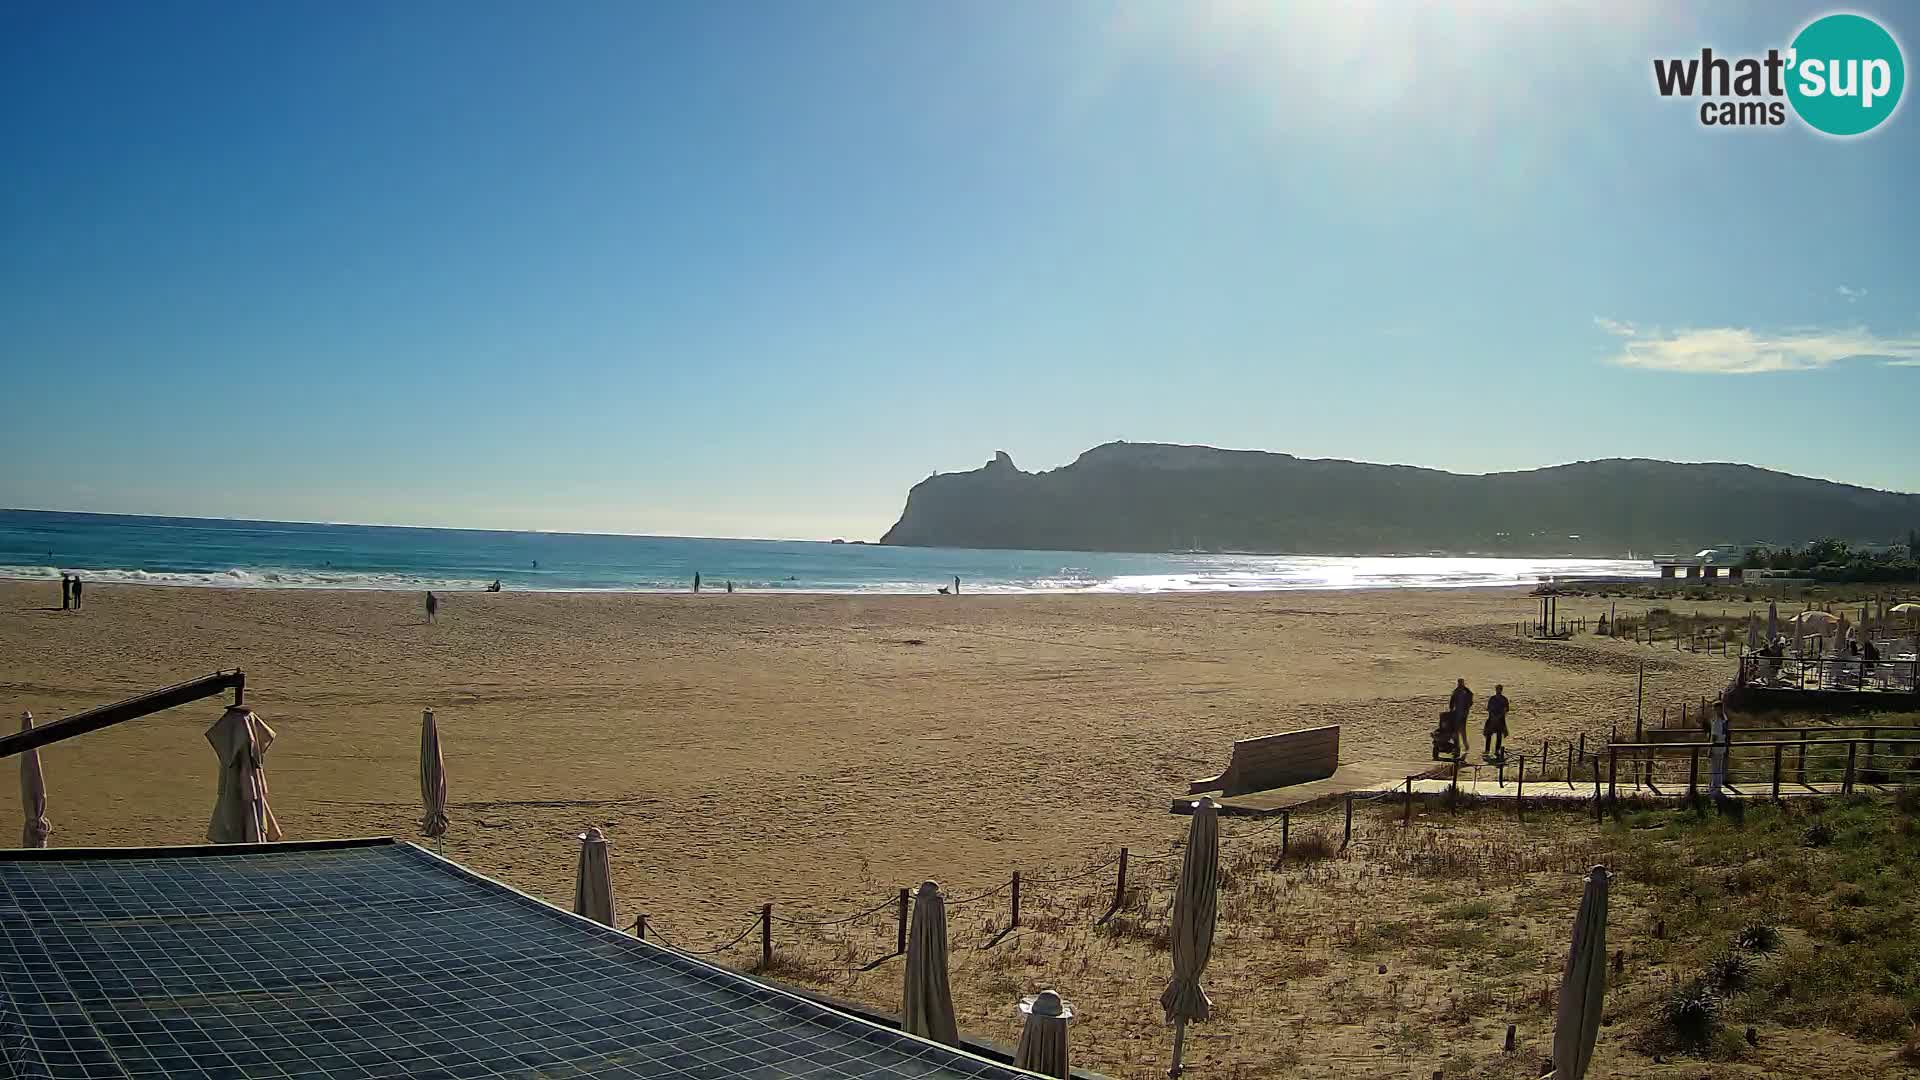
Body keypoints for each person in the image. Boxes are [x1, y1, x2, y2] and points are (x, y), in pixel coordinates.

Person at [1484, 684, 1510, 761]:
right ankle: (1487, 750)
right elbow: (1489, 709)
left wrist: (1499, 716)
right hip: (1492, 719)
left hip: (1500, 720)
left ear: (1501, 690)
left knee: (1499, 736)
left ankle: (1497, 750)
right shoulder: (1492, 698)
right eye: (1497, 689)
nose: (1498, 690)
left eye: (1499, 689)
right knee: (1488, 735)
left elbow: (1506, 709)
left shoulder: (1504, 699)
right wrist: (1493, 716)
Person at [1448, 678, 1473, 747]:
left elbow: (1470, 700)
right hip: (1457, 713)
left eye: (1461, 683)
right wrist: (1451, 709)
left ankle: (1465, 744)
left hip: (1464, 713)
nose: (1460, 684)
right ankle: (1458, 745)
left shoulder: (1466, 691)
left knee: (1462, 729)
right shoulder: (1456, 691)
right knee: (1456, 729)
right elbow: (1452, 701)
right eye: (1459, 683)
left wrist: (1467, 708)